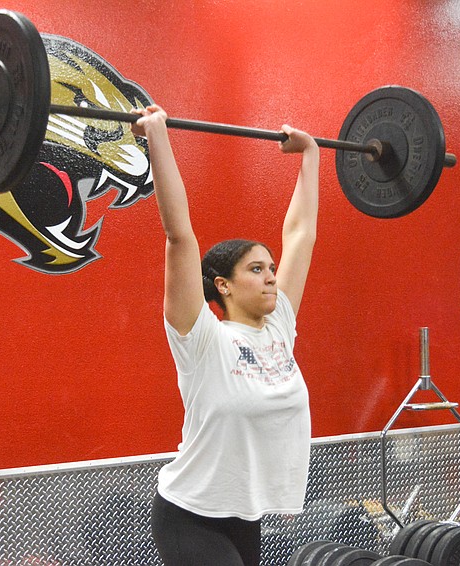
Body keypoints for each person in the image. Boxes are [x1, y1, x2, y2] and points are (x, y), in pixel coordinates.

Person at [132, 105, 320, 566]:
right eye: (257, 270)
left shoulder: (280, 327)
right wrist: (157, 138)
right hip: (189, 514)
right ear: (223, 284)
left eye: (272, 268)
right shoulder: (202, 339)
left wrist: (310, 155)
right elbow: (180, 236)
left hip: (244, 515)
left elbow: (301, 235)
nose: (272, 277)